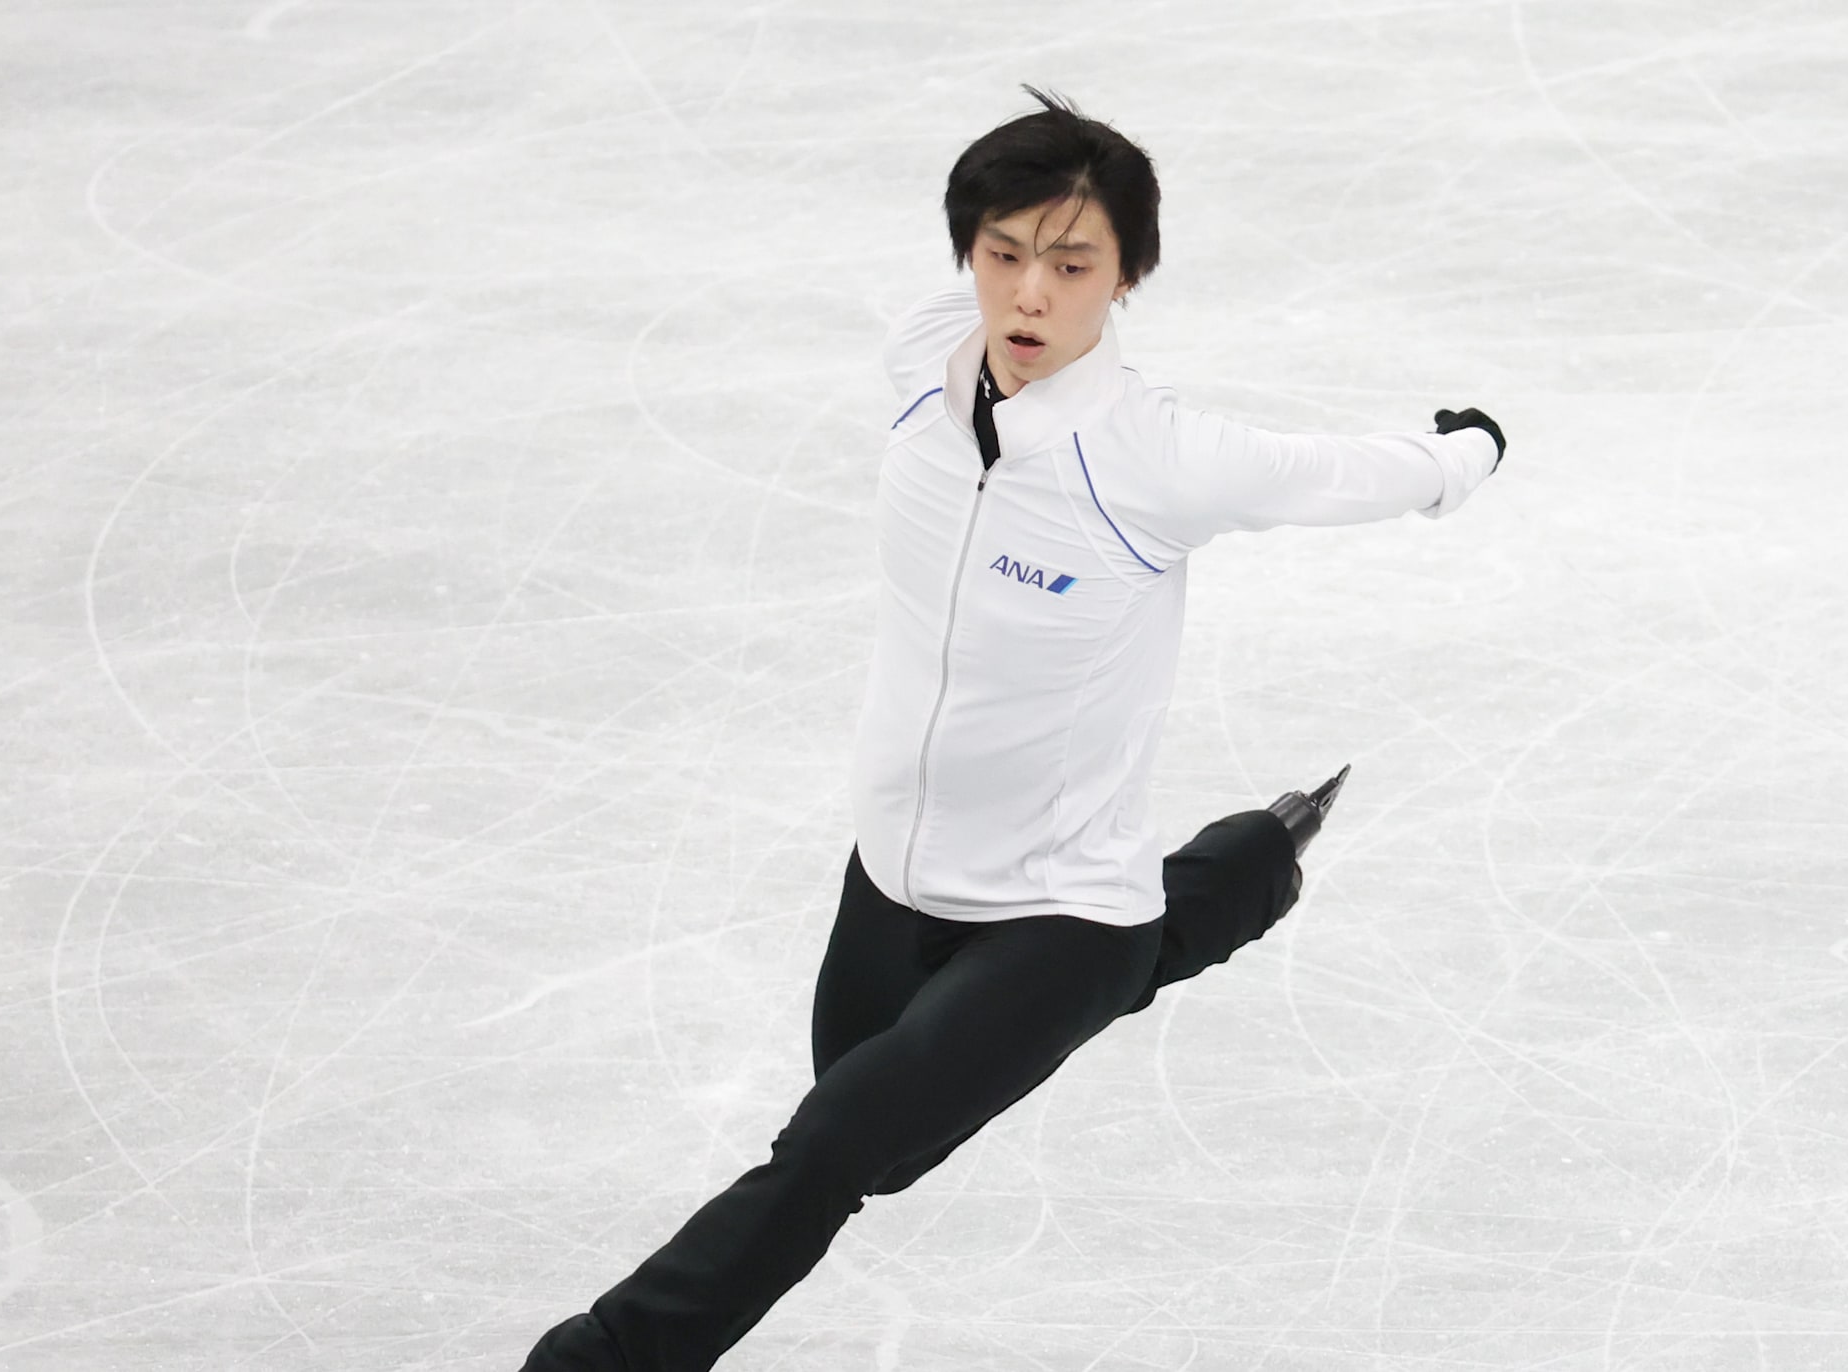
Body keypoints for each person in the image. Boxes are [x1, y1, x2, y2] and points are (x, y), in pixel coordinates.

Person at [520, 85, 1506, 1372]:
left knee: (826, 1151)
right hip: (892, 877)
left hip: (1059, 905)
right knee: (884, 1138)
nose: (1029, 294)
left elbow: (1330, 472)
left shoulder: (1153, 458)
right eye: (1002, 256)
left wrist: (1464, 454)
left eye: (1071, 263)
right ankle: (1246, 871)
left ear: (1125, 278)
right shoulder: (917, 371)